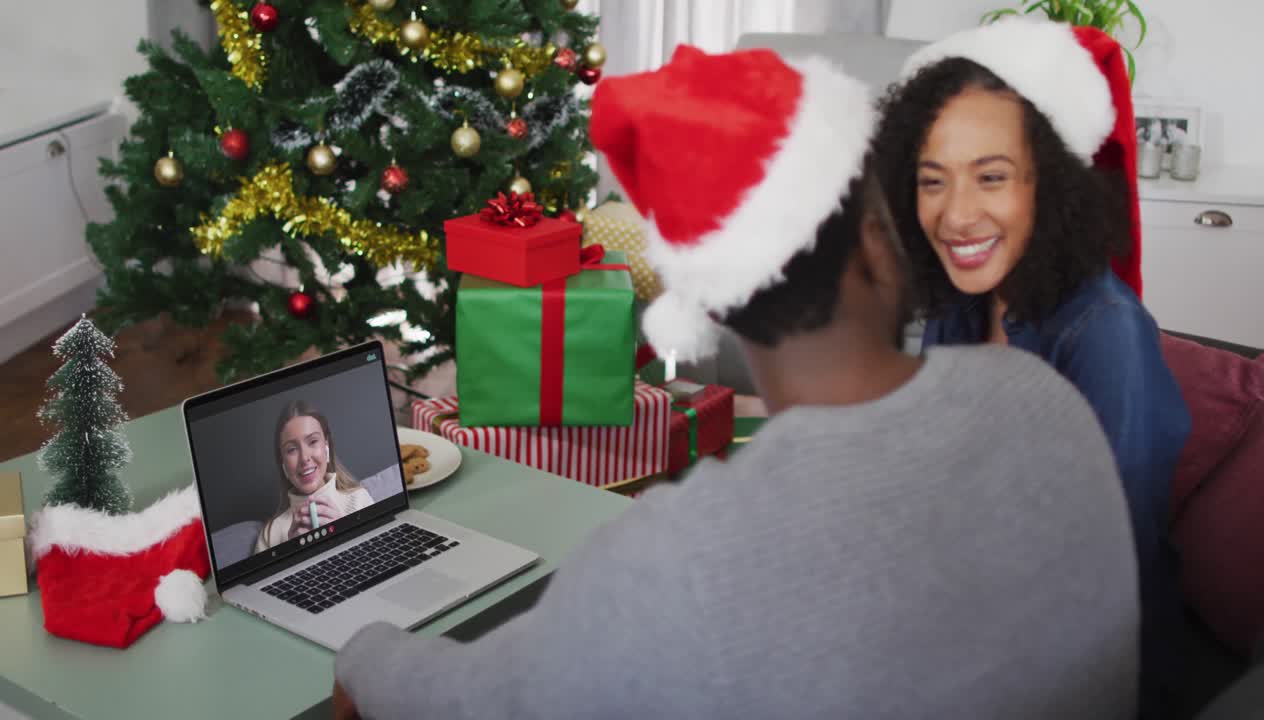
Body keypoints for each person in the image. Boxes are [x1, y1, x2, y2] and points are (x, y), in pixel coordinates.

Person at [333, 45, 1139, 719]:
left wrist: (362, 654)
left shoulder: (676, 560)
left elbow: (468, 703)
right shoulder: (1043, 400)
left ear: (713, 306)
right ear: (874, 244)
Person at [870, 17, 1190, 716]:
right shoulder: (963, 303)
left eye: (991, 177)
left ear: (1051, 184)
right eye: (932, 181)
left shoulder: (1105, 334)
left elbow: (1106, 573)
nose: (955, 215)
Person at [255, 400, 374, 552]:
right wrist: (291, 551)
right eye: (291, 449)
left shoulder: (359, 500)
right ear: (283, 463)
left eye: (312, 441)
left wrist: (345, 535)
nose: (304, 458)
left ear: (327, 447)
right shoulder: (270, 535)